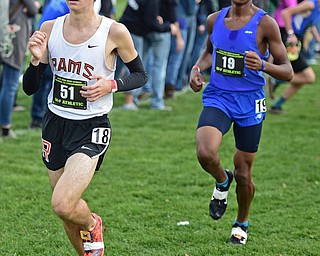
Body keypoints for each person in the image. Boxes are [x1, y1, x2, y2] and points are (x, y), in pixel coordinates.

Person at [22, 0, 147, 255]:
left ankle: (92, 223)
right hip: (55, 123)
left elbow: (140, 74)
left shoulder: (113, 31)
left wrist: (111, 85)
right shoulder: (49, 28)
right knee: (66, 215)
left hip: (91, 126)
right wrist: (36, 62)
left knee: (62, 204)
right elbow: (30, 88)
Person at [189, 0, 293, 245]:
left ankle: (241, 222)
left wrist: (264, 65)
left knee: (244, 173)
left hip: (249, 102)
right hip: (219, 97)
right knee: (205, 152)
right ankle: (222, 180)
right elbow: (208, 52)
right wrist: (196, 68)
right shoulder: (215, 19)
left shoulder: (265, 24)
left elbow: (288, 71)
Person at [269, 0, 320, 114]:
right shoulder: (310, 4)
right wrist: (291, 34)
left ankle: (276, 106)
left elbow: (310, 25)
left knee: (301, 79)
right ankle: (276, 79)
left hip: (298, 42)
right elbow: (286, 13)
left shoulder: (317, 8)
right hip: (292, 42)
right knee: (309, 77)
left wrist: (317, 39)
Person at [0, 0, 40, 138]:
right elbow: (34, 10)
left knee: (5, 83)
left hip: (6, 34)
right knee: (10, 85)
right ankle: (5, 126)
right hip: (14, 37)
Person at [29, 0, 70, 129]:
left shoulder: (58, 2)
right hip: (49, 43)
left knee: (42, 83)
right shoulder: (71, 5)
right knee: (47, 82)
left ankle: (37, 117)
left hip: (44, 37)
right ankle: (39, 117)